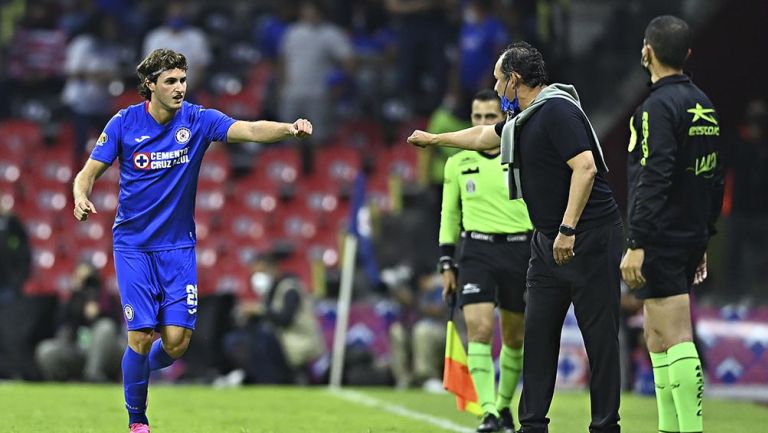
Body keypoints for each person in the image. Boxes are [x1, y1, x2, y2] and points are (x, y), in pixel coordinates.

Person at [72, 48, 312, 433]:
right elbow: (87, 172)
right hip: (133, 246)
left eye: (182, 80)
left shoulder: (198, 120)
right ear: (150, 85)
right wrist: (80, 196)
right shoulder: (123, 123)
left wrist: (288, 128)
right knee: (140, 335)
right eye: (170, 81)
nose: (180, 88)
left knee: (176, 342)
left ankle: (136, 371)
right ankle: (137, 420)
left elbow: (248, 129)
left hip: (178, 248)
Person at [408, 41, 623, 433]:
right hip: (547, 242)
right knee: (537, 336)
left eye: (498, 80)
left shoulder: (557, 110)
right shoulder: (523, 119)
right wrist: (436, 140)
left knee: (600, 339)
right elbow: (482, 138)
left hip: (589, 237)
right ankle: (532, 426)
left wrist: (568, 228)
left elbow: (586, 167)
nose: (495, 86)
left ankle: (605, 427)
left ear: (515, 80)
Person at [620, 15, 723, 433]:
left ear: (647, 51)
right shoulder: (705, 105)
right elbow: (712, 176)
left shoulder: (656, 108)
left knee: (677, 335)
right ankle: (668, 427)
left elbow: (654, 176)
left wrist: (638, 240)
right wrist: (703, 237)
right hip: (687, 232)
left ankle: (691, 429)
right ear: (688, 55)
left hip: (660, 235)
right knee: (656, 336)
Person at [437, 89, 532, 432]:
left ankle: (504, 406)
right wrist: (447, 262)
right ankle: (488, 411)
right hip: (476, 250)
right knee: (478, 329)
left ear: (503, 118)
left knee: (514, 338)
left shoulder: (522, 154)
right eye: (476, 117)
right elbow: (450, 214)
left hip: (521, 249)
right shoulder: (458, 162)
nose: (482, 123)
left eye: (489, 117)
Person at [220, 253, 325, 385]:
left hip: (298, 343)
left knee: (263, 337)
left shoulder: (289, 288)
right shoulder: (270, 292)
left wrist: (258, 310)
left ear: (273, 269)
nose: (258, 277)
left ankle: (272, 381)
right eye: (255, 273)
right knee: (237, 339)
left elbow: (285, 319)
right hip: (282, 343)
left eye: (262, 272)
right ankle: (252, 377)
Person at [35, 262, 124, 382]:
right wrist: (77, 301)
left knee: (105, 327)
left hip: (107, 353)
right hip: (78, 350)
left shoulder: (107, 299)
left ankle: (93, 374)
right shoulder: (72, 300)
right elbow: (61, 326)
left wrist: (99, 312)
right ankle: (64, 383)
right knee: (45, 350)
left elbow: (116, 327)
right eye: (79, 278)